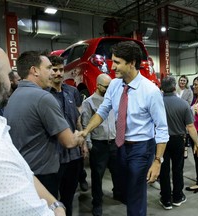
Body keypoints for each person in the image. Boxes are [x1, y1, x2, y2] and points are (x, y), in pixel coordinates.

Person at [80, 41, 169, 216]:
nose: (112, 67)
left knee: (136, 193)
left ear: (132, 63)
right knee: (125, 190)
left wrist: (157, 161)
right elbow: (103, 111)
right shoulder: (114, 85)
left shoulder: (150, 91)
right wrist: (85, 131)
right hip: (119, 146)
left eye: (117, 62)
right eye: (112, 61)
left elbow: (162, 128)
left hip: (141, 148)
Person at [0, 38, 65, 216]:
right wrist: (59, 209)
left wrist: (54, 203)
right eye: (9, 76)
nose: (12, 83)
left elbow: (26, 172)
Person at [4, 51, 84, 198]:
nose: (52, 73)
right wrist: (80, 136)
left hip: (24, 172)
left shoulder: (14, 97)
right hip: (44, 175)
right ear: (34, 70)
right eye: (48, 68)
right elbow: (69, 142)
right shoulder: (43, 98)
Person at [48, 55, 85, 216]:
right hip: (54, 155)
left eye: (61, 70)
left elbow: (78, 120)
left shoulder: (73, 91)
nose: (58, 73)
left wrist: (83, 144)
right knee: (52, 198)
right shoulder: (43, 94)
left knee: (69, 196)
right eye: (54, 70)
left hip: (74, 155)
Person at [159, 76, 198, 210]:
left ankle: (166, 199)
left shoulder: (157, 103)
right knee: (178, 169)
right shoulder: (183, 104)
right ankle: (177, 197)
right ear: (174, 87)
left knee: (164, 170)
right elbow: (190, 127)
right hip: (178, 140)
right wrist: (197, 143)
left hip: (161, 141)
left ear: (162, 88)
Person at [81, 74, 120, 216]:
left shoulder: (113, 100)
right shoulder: (89, 102)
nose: (109, 89)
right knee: (97, 176)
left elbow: (116, 120)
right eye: (106, 86)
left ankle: (118, 193)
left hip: (114, 143)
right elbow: (86, 124)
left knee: (118, 172)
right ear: (98, 85)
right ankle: (97, 203)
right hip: (99, 144)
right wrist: (89, 144)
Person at [176, 75, 193, 159]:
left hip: (184, 113)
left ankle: (185, 150)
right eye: (181, 80)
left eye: (184, 81)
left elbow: (189, 103)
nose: (182, 82)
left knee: (185, 133)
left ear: (186, 82)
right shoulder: (175, 89)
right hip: (175, 113)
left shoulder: (189, 91)